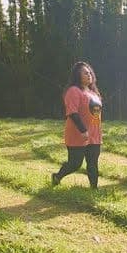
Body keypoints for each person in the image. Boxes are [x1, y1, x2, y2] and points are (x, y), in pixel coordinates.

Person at [51, 61, 102, 190]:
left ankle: (94, 189)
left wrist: (96, 131)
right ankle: (57, 176)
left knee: (93, 163)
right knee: (75, 163)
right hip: (77, 134)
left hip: (94, 135)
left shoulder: (93, 93)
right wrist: (83, 130)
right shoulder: (73, 91)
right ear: (77, 75)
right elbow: (72, 113)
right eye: (85, 73)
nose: (89, 75)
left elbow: (95, 115)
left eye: (90, 73)